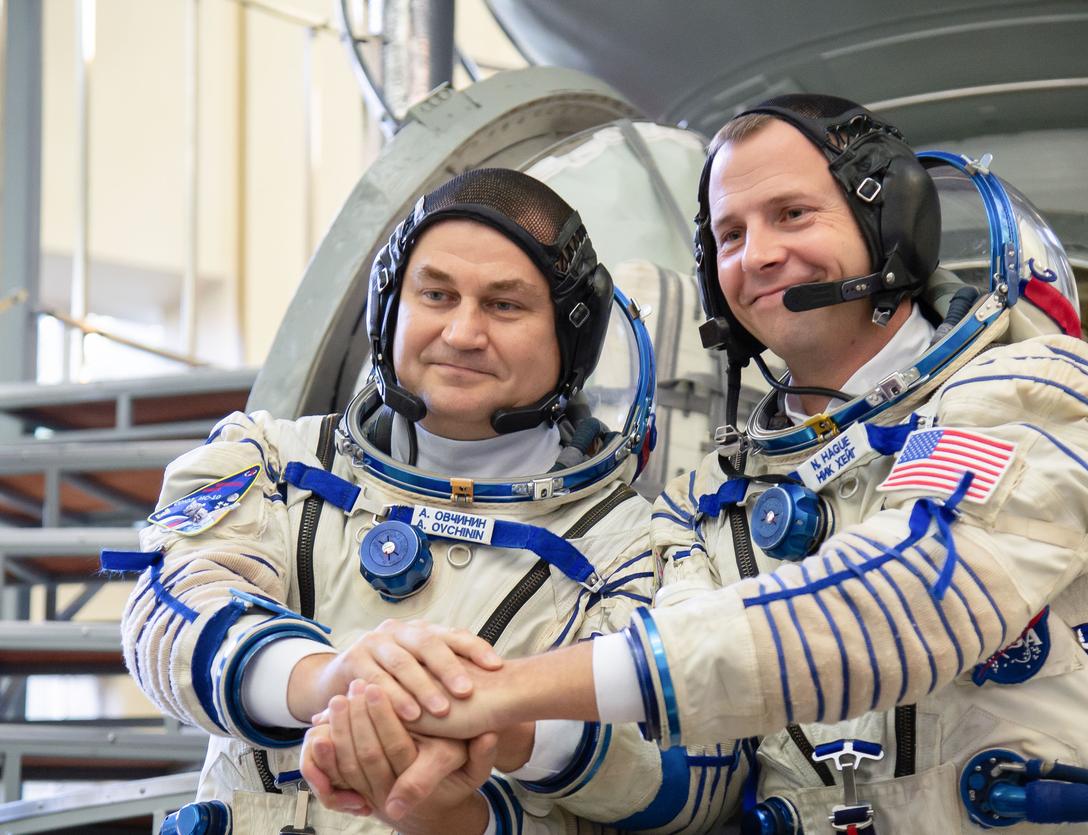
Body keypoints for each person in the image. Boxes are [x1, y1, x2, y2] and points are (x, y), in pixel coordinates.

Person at [315, 96, 1088, 834]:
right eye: (731, 234)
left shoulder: (1035, 389)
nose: (757, 256)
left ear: (892, 222)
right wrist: (513, 738)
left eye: (792, 214)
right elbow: (684, 764)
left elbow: (912, 597)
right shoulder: (705, 509)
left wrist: (507, 688)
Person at [109, 169, 730, 834]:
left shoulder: (639, 547)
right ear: (389, 308)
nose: (462, 333)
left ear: (572, 336)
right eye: (436, 293)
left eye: (505, 305)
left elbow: (699, 778)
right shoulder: (271, 463)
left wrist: (511, 730)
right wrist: (327, 678)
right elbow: (167, 611)